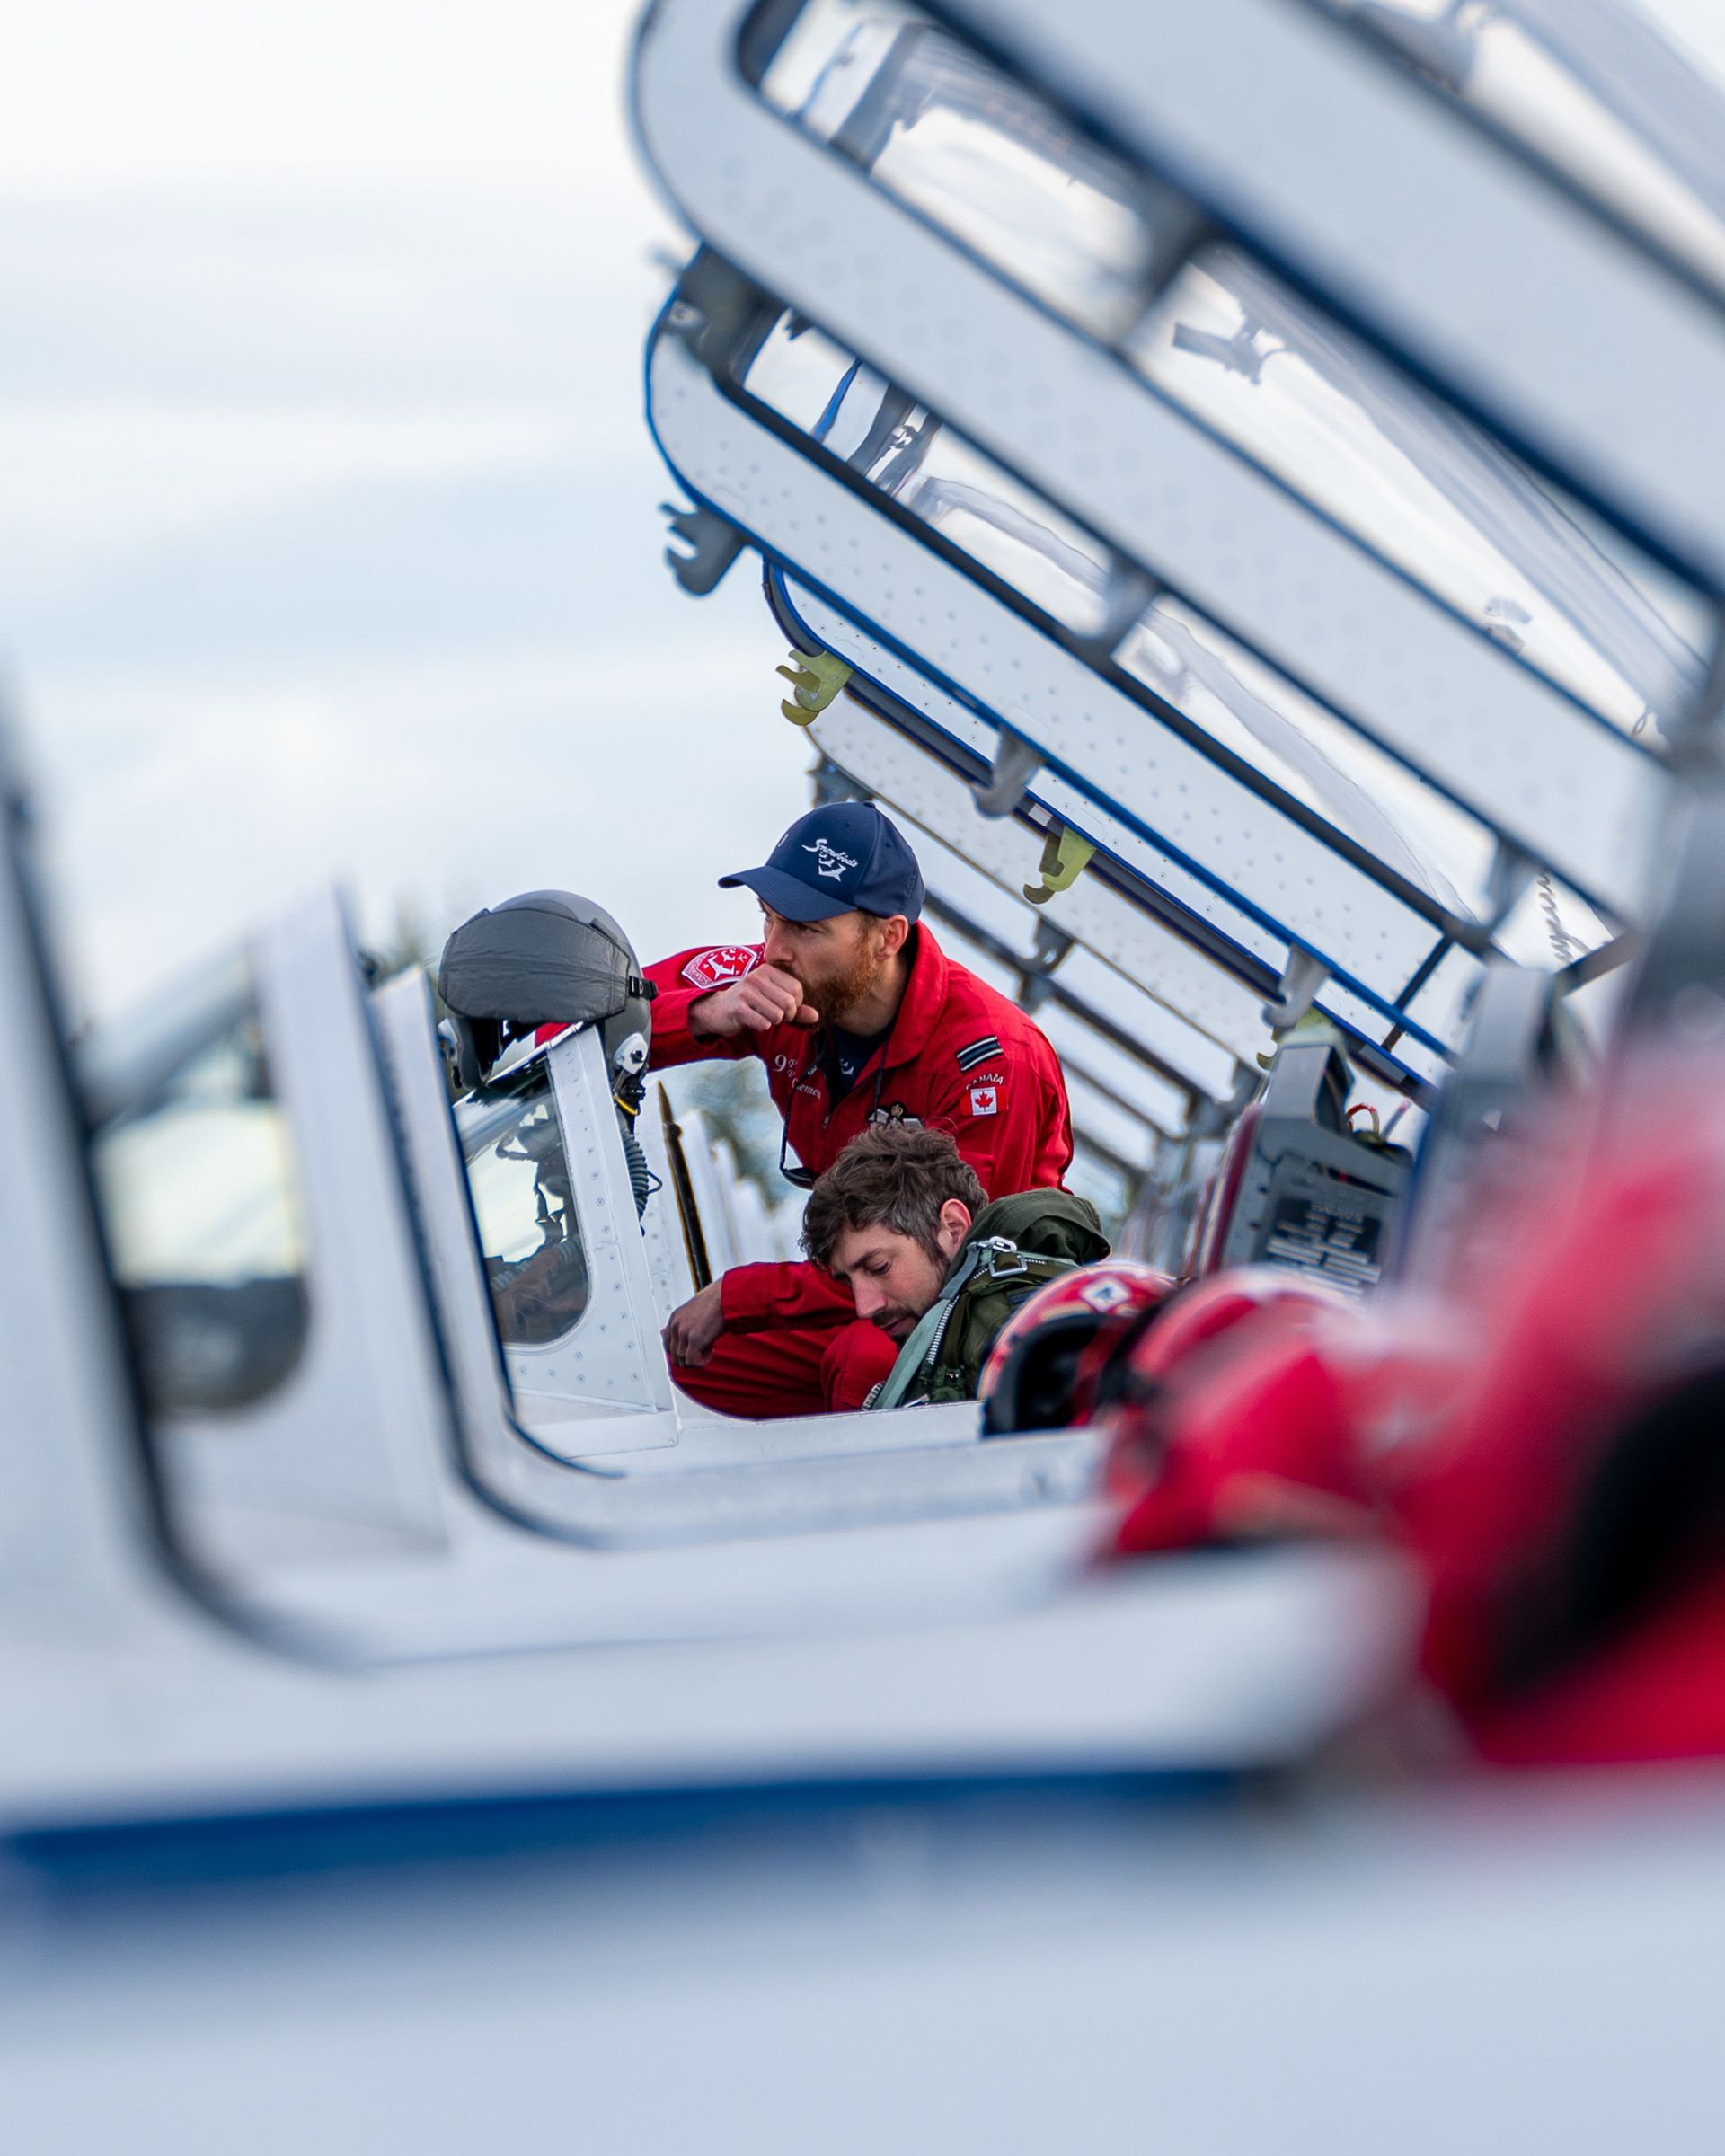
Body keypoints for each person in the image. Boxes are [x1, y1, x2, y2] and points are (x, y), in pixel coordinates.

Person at [648, 800, 1075, 1417]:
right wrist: (705, 1013)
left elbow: (948, 1268)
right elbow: (608, 1006)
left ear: (887, 938)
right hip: (862, 1285)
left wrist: (741, 1294)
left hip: (968, 1316)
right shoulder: (777, 984)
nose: (773, 950)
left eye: (806, 927)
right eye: (768, 918)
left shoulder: (989, 1058)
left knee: (861, 1358)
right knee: (687, 1358)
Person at [799, 1126, 1110, 1411]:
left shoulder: (1005, 1327)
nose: (864, 1307)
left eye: (879, 1267)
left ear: (953, 1227)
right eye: (847, 1282)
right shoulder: (970, 1326)